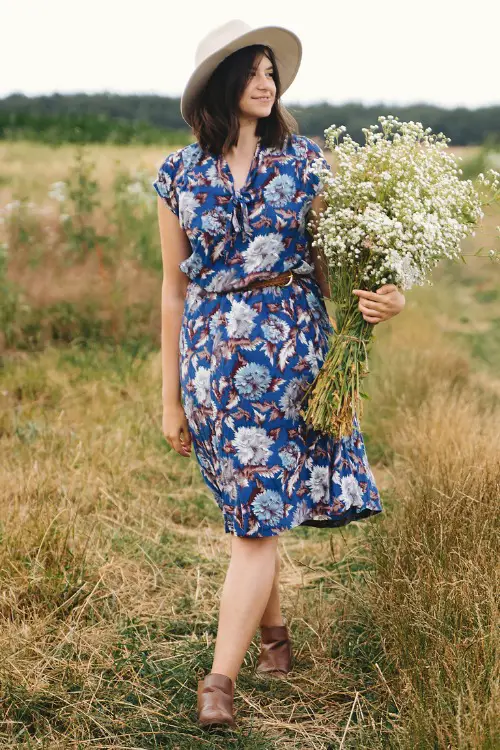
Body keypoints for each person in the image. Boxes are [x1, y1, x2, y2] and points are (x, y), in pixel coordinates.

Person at [153, 19, 406, 730]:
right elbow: (173, 290)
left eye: (273, 71)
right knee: (250, 513)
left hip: (292, 356)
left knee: (255, 526)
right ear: (220, 84)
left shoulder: (307, 163)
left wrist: (389, 295)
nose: (267, 81)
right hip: (212, 366)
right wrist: (169, 397)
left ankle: (219, 682)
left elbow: (348, 261)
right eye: (253, 70)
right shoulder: (177, 173)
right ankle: (275, 637)